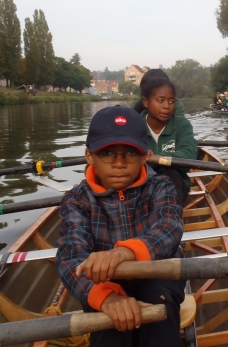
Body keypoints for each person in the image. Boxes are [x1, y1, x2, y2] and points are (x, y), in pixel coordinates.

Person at [56, 106, 185, 346]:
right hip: (104, 283)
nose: (118, 163)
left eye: (130, 153)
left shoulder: (161, 186)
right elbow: (69, 257)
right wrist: (107, 298)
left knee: (161, 307)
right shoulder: (76, 199)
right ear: (89, 156)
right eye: (107, 153)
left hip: (157, 275)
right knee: (108, 327)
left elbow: (170, 228)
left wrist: (124, 253)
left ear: (145, 155)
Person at [140, 77, 197, 206]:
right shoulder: (134, 125)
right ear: (146, 102)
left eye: (171, 101)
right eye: (160, 101)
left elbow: (189, 155)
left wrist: (158, 158)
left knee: (171, 175)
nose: (167, 106)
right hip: (141, 183)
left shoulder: (182, 125)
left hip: (175, 185)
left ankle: (168, 219)